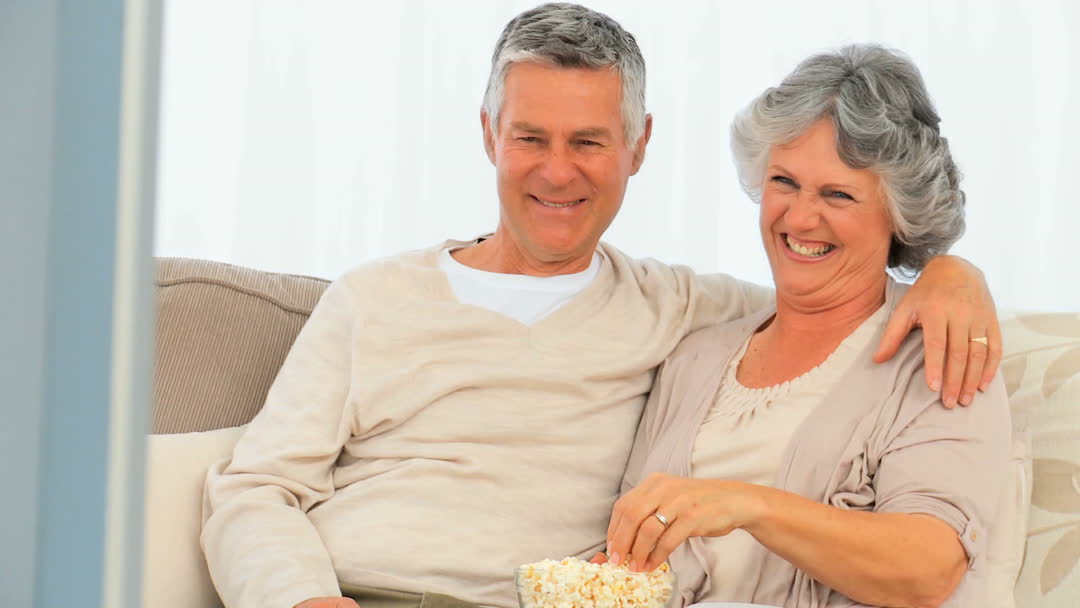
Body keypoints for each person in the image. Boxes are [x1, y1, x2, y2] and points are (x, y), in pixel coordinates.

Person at [201, 6, 1002, 608]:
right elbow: (253, 488)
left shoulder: (677, 311)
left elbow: (839, 307)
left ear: (638, 145)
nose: (558, 172)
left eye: (587, 141)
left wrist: (948, 272)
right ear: (489, 134)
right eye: (530, 138)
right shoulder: (374, 298)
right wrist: (302, 599)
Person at [604, 44, 1011, 608]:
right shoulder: (694, 357)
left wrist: (749, 505)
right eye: (784, 182)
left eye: (837, 194)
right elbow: (625, 560)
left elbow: (927, 568)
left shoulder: (940, 352)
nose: (798, 217)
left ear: (900, 214)